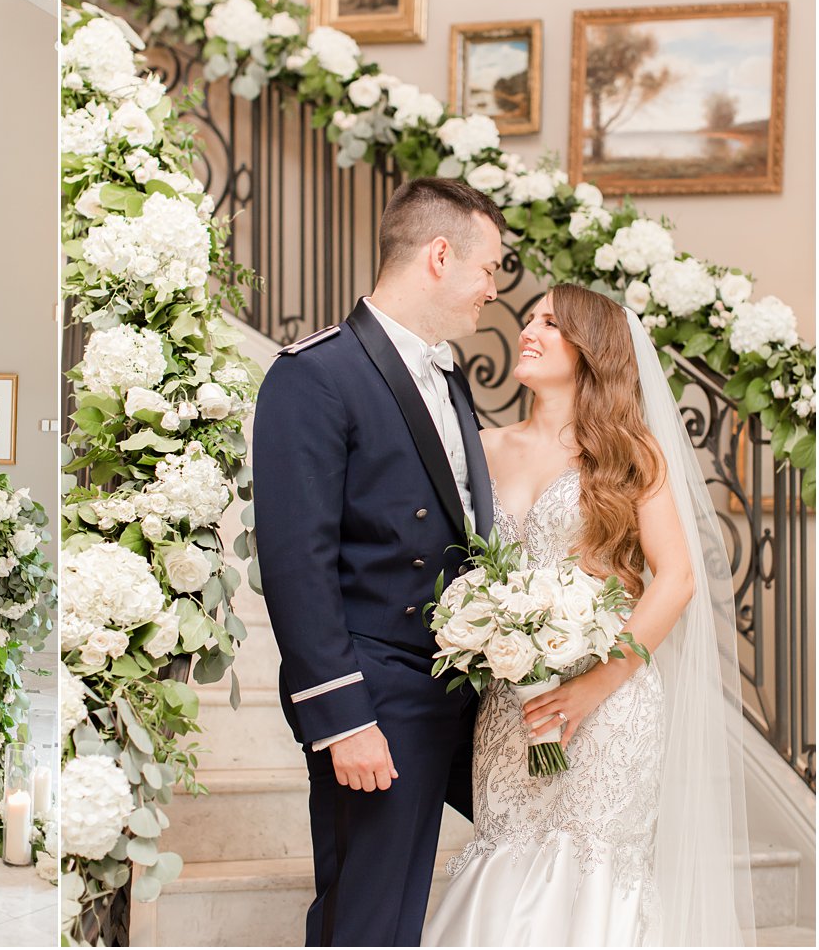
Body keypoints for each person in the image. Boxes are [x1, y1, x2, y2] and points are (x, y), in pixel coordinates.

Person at [423, 284, 753, 946]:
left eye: (551, 321)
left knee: (592, 868)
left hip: (611, 705)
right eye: (529, 317)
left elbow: (677, 579)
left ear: (590, 349)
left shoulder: (631, 455)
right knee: (508, 847)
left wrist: (595, 683)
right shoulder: (480, 447)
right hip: (514, 702)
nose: (528, 329)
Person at [253, 177, 506, 946]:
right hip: (375, 697)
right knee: (363, 921)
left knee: (399, 916)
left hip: (445, 693)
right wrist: (343, 716)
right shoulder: (314, 374)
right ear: (440, 256)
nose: (492, 292)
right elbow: (297, 563)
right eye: (489, 268)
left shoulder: (447, 375)